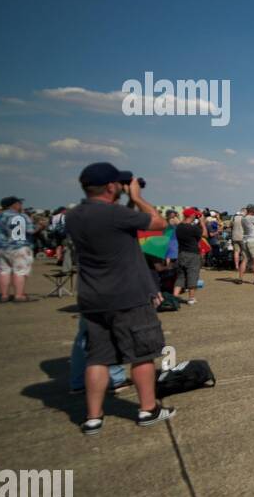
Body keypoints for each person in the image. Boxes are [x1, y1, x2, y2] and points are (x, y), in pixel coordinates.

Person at [64, 163, 176, 433]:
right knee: (142, 354)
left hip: (92, 297)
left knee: (97, 358)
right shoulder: (115, 214)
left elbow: (114, 227)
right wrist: (136, 197)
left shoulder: (74, 215)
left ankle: (93, 417)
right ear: (112, 187)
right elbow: (160, 224)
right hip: (128, 294)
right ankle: (148, 409)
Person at [0, 196, 35, 302]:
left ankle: (4, 295)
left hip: (2, 248)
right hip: (19, 247)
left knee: (3, 271)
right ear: (13, 205)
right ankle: (19, 295)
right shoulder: (22, 216)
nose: (21, 205)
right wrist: (40, 227)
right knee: (19, 271)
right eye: (19, 203)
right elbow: (30, 231)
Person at [173, 208, 204, 305]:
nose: (196, 216)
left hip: (181, 253)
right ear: (191, 216)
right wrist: (202, 222)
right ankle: (191, 298)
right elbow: (205, 234)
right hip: (193, 254)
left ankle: (175, 296)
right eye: (195, 215)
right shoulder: (193, 228)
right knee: (192, 275)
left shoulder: (179, 227)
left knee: (180, 276)